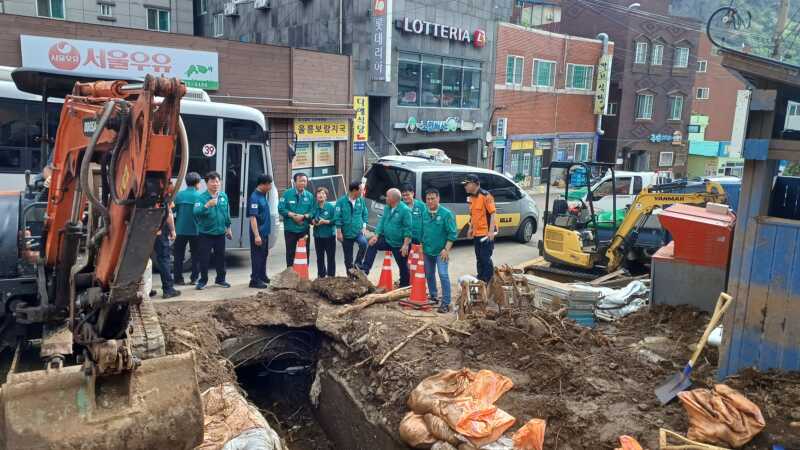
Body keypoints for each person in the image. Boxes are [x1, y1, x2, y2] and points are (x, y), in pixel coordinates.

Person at [359, 188, 412, 287]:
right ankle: (365, 270)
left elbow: (408, 230)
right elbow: (382, 222)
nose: (385, 198)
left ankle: (405, 286)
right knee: (372, 244)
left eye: (387, 196)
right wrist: (376, 235)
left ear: (393, 199)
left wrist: (405, 245)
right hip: (387, 240)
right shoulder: (388, 207)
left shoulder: (405, 211)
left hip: (399, 244)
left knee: (402, 266)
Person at [420, 188, 457, 313]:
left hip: (441, 251)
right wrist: (421, 246)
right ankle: (433, 295)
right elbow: (421, 232)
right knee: (429, 274)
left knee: (443, 274)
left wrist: (446, 249)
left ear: (438, 198)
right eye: (428, 199)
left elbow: (452, 234)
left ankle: (446, 303)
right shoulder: (424, 213)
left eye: (432, 198)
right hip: (427, 250)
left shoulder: (446, 214)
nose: (430, 201)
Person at [193, 171, 232, 290]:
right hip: (206, 234)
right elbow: (195, 212)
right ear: (206, 183)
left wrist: (228, 228)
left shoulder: (223, 196)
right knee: (204, 259)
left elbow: (226, 213)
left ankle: (221, 279)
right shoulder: (201, 197)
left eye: (217, 181)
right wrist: (207, 205)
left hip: (220, 233)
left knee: (220, 258)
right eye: (212, 181)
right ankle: (203, 281)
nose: (215, 184)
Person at [463, 174, 497, 284]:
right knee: (479, 258)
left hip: (486, 234)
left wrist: (491, 231)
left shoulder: (486, 196)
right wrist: (470, 228)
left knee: (485, 258)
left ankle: (488, 282)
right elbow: (473, 215)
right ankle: (480, 279)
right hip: (477, 233)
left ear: (474, 183)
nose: (465, 187)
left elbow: (493, 213)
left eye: (467, 184)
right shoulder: (472, 198)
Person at [278, 172, 315, 267]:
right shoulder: (287, 194)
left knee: (304, 252)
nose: (303, 183)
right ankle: (290, 274)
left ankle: (304, 276)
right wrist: (293, 215)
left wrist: (304, 216)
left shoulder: (310, 196)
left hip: (304, 230)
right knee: (290, 253)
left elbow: (313, 211)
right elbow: (281, 208)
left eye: (305, 181)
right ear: (295, 182)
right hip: (290, 230)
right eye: (301, 181)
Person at [173, 172, 202, 286]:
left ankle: (178, 279)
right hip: (195, 230)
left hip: (180, 230)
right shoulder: (200, 196)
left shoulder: (179, 195)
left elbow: (173, 211)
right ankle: (194, 278)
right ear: (197, 183)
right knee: (196, 255)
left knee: (178, 256)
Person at [334, 180, 369, 272]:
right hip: (346, 233)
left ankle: (358, 263)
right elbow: (337, 217)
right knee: (348, 258)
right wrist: (339, 232)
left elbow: (365, 213)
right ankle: (350, 276)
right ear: (354, 191)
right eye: (361, 190)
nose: (362, 192)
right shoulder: (341, 202)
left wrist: (364, 226)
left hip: (358, 231)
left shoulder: (361, 200)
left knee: (364, 243)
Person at [247, 174, 273, 289]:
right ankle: (254, 280)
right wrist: (256, 235)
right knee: (257, 256)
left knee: (264, 255)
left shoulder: (263, 195)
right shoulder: (254, 197)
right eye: (269, 185)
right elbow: (253, 218)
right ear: (263, 185)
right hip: (258, 232)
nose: (270, 187)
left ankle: (262, 275)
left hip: (264, 232)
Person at [151, 208, 181, 299]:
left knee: (143, 261)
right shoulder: (162, 197)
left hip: (142, 231)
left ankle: (145, 289)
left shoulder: (138, 196)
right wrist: (173, 230)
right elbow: (169, 214)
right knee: (164, 259)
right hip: (159, 232)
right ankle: (168, 290)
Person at [312, 186, 336, 278]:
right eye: (318, 193)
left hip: (329, 236)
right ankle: (321, 275)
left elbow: (335, 220)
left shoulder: (330, 207)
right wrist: (313, 221)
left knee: (330, 257)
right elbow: (311, 218)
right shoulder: (314, 206)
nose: (320, 195)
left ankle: (331, 275)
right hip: (318, 236)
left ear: (326, 196)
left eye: (323, 193)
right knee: (319, 257)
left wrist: (325, 221)